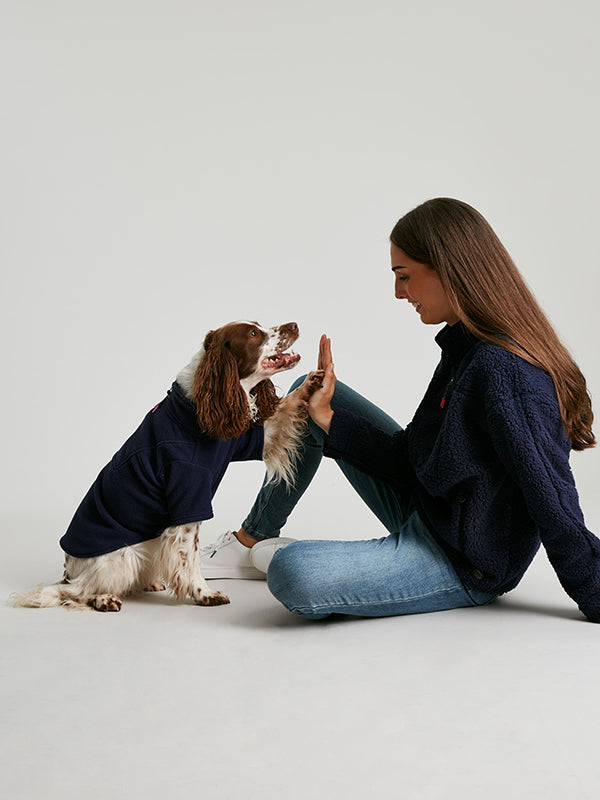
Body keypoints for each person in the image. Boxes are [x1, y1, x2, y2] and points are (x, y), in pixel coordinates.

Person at [200, 198, 600, 622]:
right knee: (308, 392)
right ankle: (250, 543)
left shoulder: (506, 370)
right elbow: (415, 457)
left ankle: (312, 559)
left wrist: (594, 590)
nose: (398, 292)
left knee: (293, 572)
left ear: (449, 268)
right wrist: (328, 419)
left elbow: (550, 494)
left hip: (465, 560)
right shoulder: (465, 346)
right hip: (430, 506)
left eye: (404, 276)